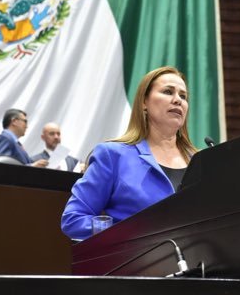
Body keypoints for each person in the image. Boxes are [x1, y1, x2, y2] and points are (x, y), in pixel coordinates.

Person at [61, 66, 197, 240]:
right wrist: (127, 233)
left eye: (183, 96)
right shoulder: (113, 155)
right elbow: (73, 219)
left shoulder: (201, 160)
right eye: (168, 91)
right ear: (144, 102)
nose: (178, 100)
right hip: (138, 264)